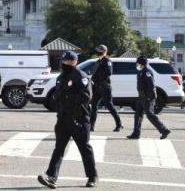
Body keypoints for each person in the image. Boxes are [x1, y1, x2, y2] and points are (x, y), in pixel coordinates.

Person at [38, 51, 98, 189]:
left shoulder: (81, 77)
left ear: (74, 62)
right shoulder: (61, 77)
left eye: (67, 61)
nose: (63, 63)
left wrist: (67, 97)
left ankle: (92, 176)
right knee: (58, 148)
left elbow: (86, 97)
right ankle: (51, 177)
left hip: (79, 119)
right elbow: (56, 96)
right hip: (64, 119)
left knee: (84, 148)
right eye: (63, 61)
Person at [127, 56, 170, 140]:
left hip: (147, 97)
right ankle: (136, 133)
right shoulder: (140, 71)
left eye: (138, 63)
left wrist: (150, 97)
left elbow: (151, 85)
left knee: (150, 115)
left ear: (142, 64)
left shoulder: (147, 72)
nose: (136, 64)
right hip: (141, 97)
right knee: (138, 115)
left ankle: (164, 130)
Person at [90, 45, 122, 132]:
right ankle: (91, 126)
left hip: (104, 87)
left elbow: (108, 72)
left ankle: (119, 124)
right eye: (98, 50)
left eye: (100, 50)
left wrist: (97, 78)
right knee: (93, 106)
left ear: (104, 51)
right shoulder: (97, 61)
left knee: (109, 105)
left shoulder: (107, 61)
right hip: (97, 87)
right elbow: (95, 73)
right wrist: (93, 79)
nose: (98, 52)